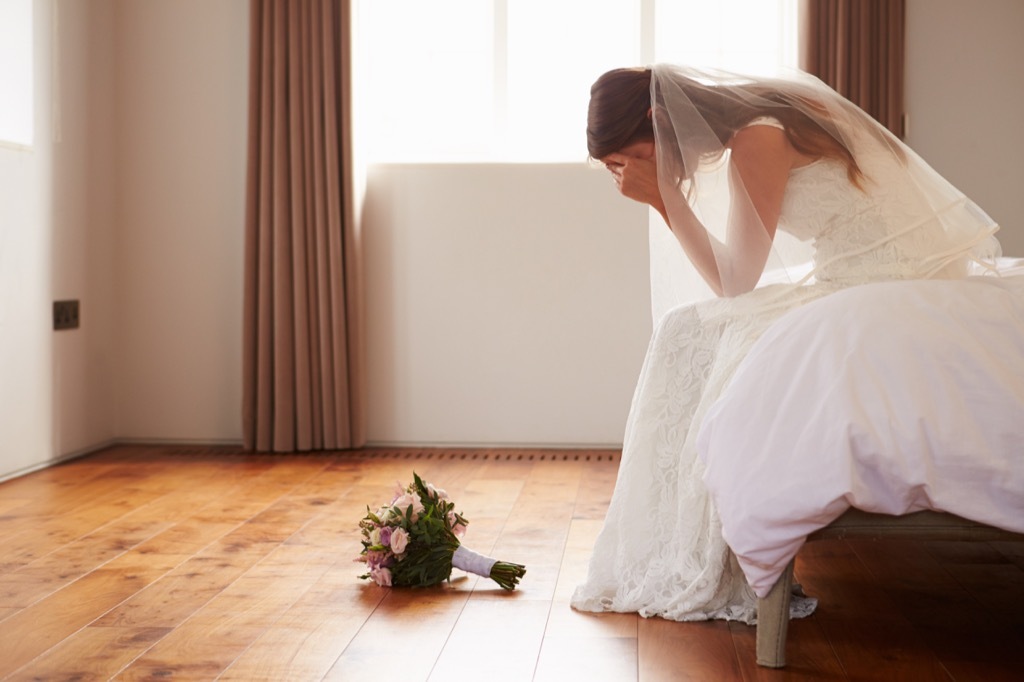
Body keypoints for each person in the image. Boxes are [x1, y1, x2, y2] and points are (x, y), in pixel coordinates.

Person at [569, 64, 1002, 623]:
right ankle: (684, 533)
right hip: (869, 276)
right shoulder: (766, 112)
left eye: (629, 162)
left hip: (880, 285)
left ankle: (702, 545)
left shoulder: (757, 137)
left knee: (695, 331)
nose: (629, 175)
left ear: (658, 122)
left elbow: (734, 281)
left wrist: (663, 199)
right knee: (690, 326)